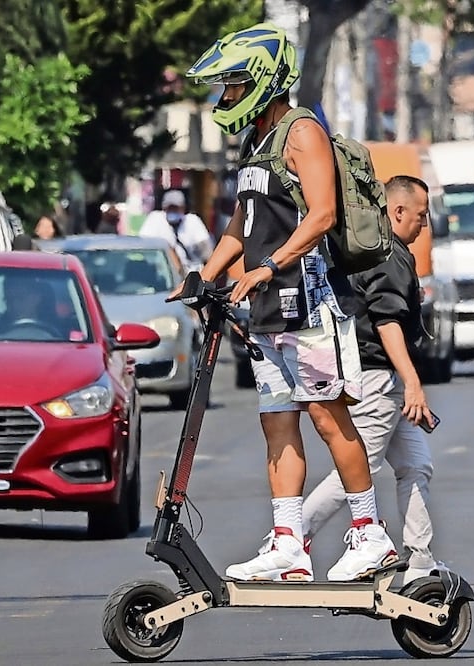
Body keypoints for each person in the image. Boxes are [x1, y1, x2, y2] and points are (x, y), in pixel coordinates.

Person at [184, 22, 397, 582]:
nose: (224, 97)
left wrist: (269, 265)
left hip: (307, 299)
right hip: (266, 307)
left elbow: (322, 214)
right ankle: (289, 545)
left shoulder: (303, 131)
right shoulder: (256, 141)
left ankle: (369, 534)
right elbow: (242, 220)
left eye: (232, 85)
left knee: (330, 418)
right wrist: (204, 278)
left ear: (262, 80)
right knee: (277, 424)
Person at [302, 175, 442, 585]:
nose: (424, 225)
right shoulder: (389, 256)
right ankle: (294, 538)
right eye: (421, 216)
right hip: (377, 378)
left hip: (382, 381)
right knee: (356, 469)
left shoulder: (377, 249)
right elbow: (387, 323)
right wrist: (412, 382)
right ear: (397, 212)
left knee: (416, 465)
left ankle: (421, 559)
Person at [139, 190, 214, 269]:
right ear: (164, 208)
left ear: (183, 208)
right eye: (170, 208)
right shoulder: (156, 219)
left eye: (176, 208)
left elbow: (207, 251)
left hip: (191, 270)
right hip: (163, 269)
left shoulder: (193, 221)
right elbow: (144, 244)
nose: (173, 211)